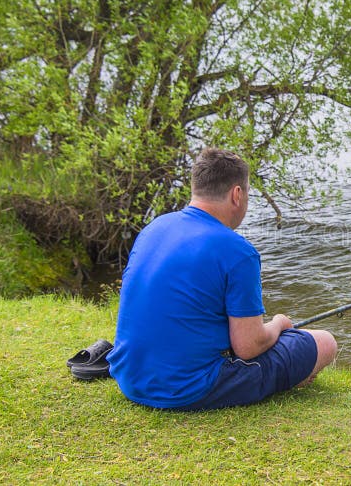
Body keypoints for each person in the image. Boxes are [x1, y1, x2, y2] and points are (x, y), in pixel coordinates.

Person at [107, 148, 337, 410]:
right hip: (188, 388)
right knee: (324, 342)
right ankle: (292, 376)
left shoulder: (154, 228)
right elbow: (249, 347)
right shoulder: (238, 251)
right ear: (237, 195)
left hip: (130, 377)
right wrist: (278, 323)